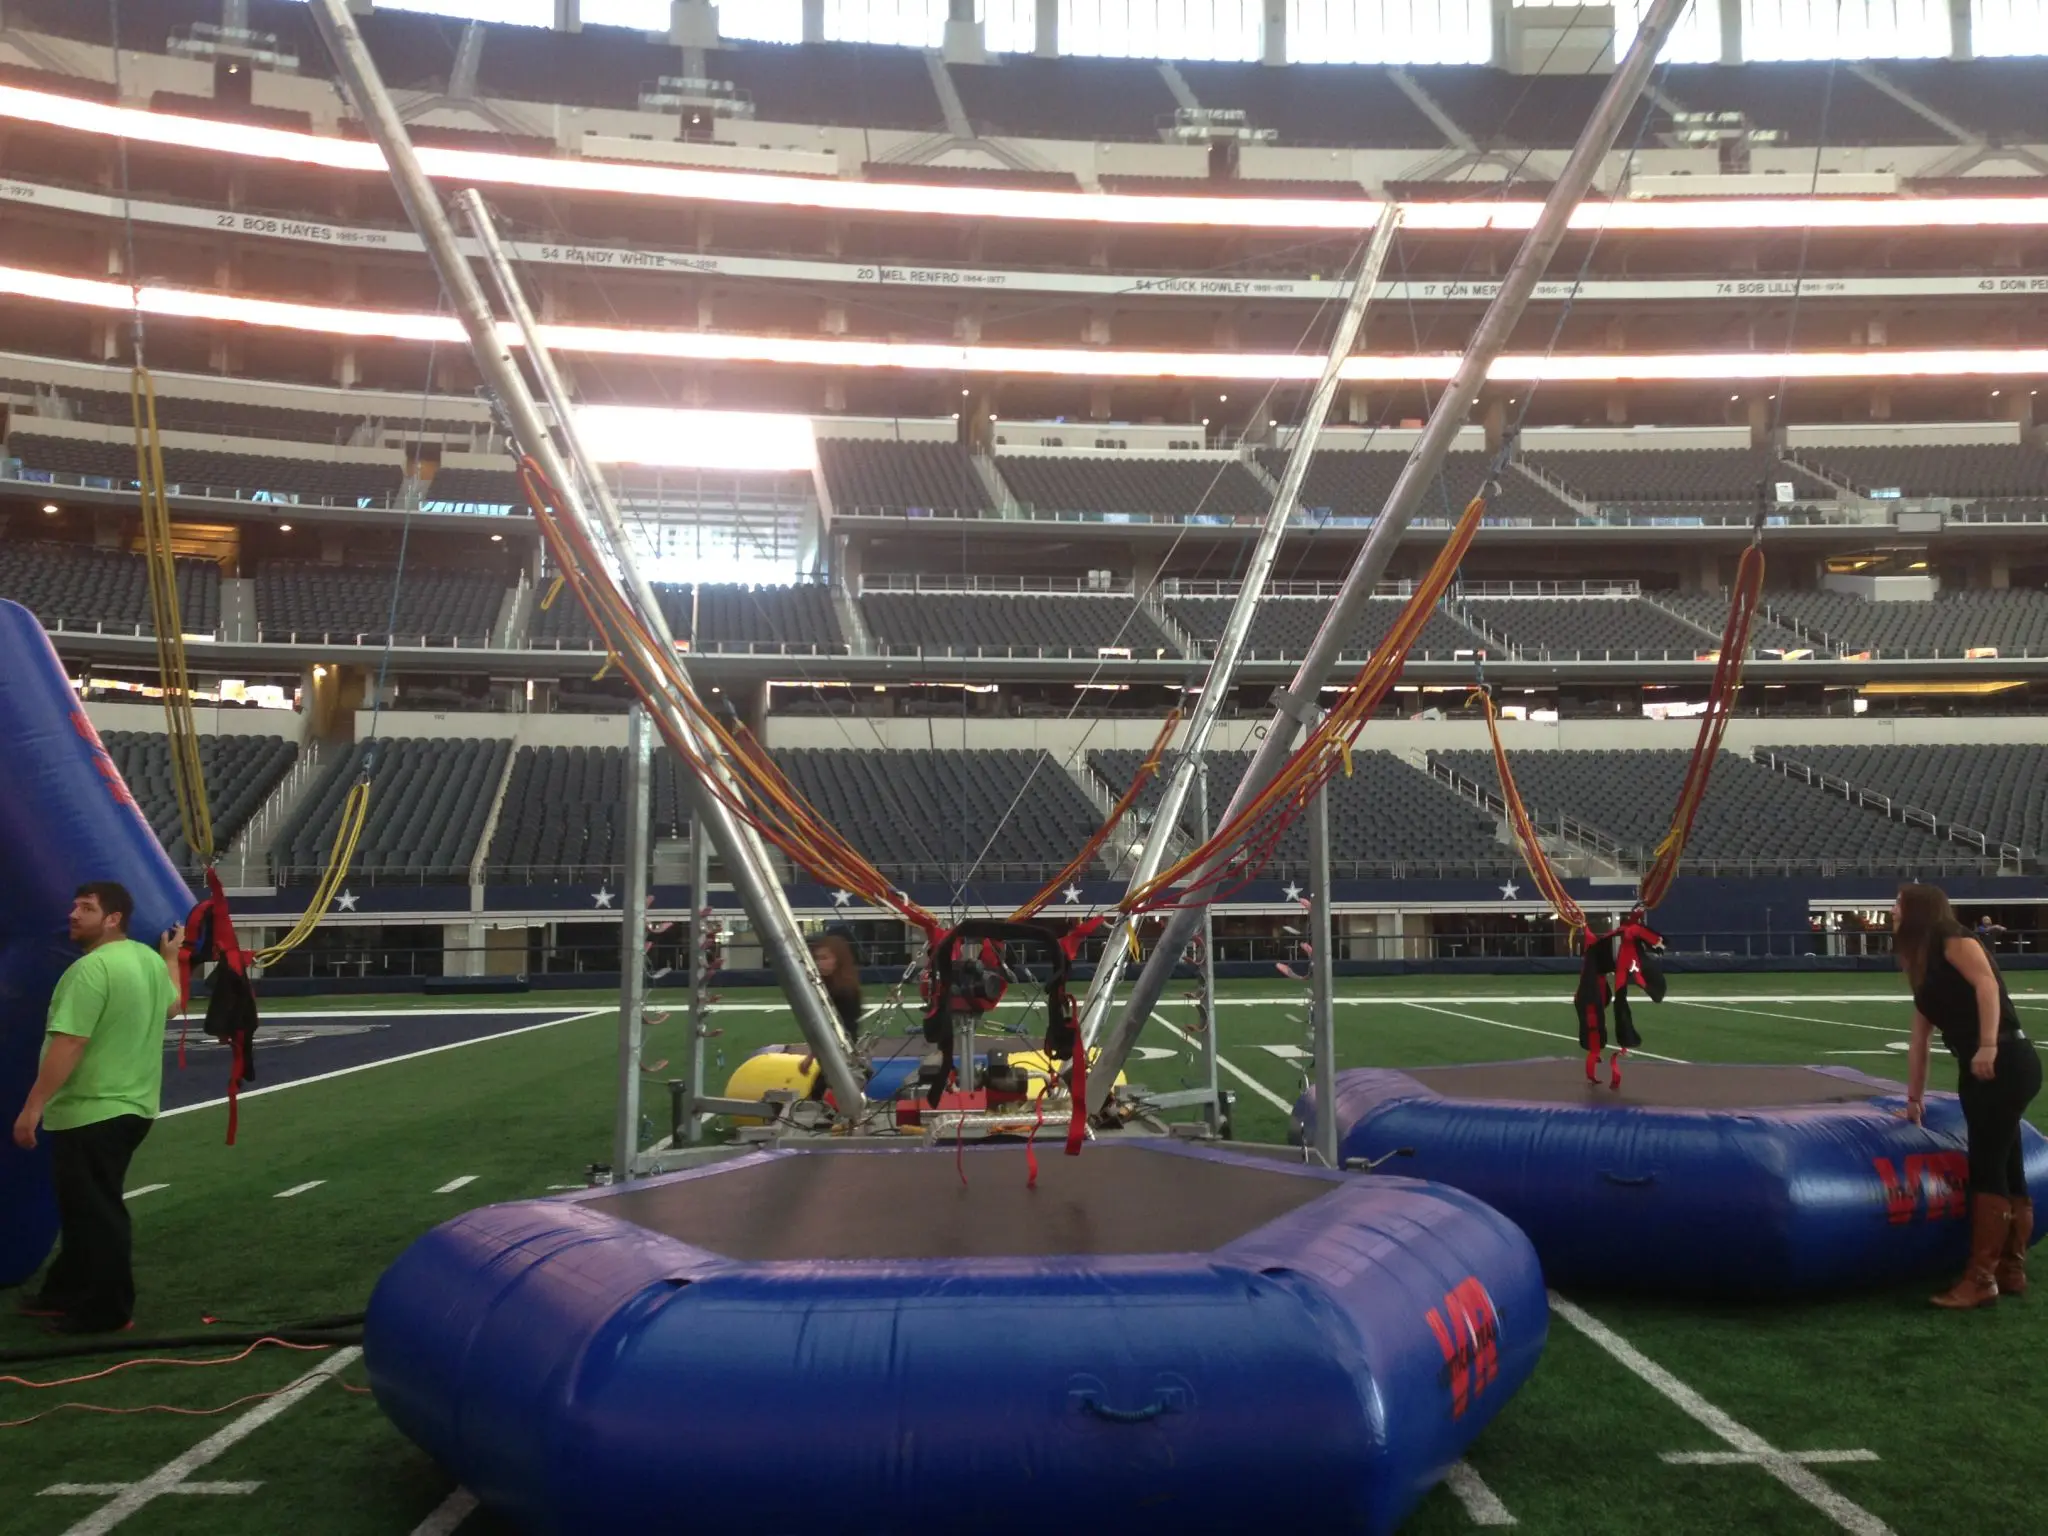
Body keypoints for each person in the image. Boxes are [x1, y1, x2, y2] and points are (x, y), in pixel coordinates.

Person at [12, 883, 183, 1334]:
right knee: (81, 1205)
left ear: (113, 919)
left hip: (93, 1109)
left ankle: (108, 1311)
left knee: (95, 1211)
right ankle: (64, 1291)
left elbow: (70, 1042)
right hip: (132, 1106)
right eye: (74, 906)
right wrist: (170, 958)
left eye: (86, 908)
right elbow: (174, 1005)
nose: (73, 914)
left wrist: (32, 1107)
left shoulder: (90, 969)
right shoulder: (145, 959)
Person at [1895, 882, 2041, 1308]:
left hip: (2003, 1061)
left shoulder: (1953, 938)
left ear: (1918, 910)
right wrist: (1914, 1100)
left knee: (1987, 1168)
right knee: (2008, 1164)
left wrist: (1988, 1044)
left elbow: (1986, 985)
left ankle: (1981, 1278)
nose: (1892, 911)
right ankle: (2010, 1269)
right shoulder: (1924, 964)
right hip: (1984, 1068)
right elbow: (1920, 1040)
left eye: (1898, 904)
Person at [1575, 919, 1639, 1090]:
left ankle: (1596, 1058)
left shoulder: (1596, 965)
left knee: (1598, 1031)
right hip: (1591, 998)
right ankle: (1594, 1064)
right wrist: (1584, 927)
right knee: (1594, 1033)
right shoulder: (1593, 964)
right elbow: (1592, 941)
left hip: (1596, 994)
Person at [796, 931, 862, 1096]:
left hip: (841, 1049)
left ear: (838, 960)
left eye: (825, 958)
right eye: (817, 959)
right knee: (819, 1091)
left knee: (822, 1092)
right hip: (833, 1048)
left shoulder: (845, 991)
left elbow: (840, 1028)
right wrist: (812, 1056)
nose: (820, 963)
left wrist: (813, 1056)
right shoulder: (827, 986)